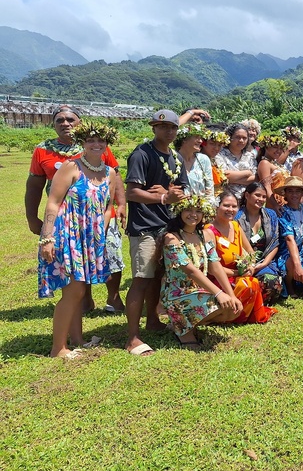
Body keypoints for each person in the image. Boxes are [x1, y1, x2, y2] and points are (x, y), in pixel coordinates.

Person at [27, 104, 126, 314]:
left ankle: (113, 298)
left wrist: (122, 203)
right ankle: (84, 299)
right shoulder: (43, 149)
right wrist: (32, 217)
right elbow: (34, 186)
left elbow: (114, 176)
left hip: (101, 213)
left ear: (80, 123)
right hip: (68, 217)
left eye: (70, 119)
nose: (65, 123)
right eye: (60, 120)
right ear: (52, 125)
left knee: (111, 254)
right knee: (78, 258)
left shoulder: (96, 145)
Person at [38, 121, 120, 358]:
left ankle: (77, 340)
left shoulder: (109, 173)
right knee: (73, 291)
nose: (96, 144)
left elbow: (107, 207)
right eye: (91, 140)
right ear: (83, 143)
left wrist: (99, 236)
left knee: (80, 291)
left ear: (107, 144)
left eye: (100, 141)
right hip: (67, 235)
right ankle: (58, 349)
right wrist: (47, 238)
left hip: (89, 239)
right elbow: (53, 202)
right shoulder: (70, 168)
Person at [124, 109, 189, 356]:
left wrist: (171, 195)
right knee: (141, 279)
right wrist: (162, 197)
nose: (168, 131)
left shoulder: (176, 157)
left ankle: (152, 320)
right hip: (144, 227)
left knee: (157, 276)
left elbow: (180, 190)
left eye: (173, 127)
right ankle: (132, 337)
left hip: (168, 225)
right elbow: (132, 192)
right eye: (163, 127)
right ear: (154, 128)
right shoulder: (142, 154)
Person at [161, 195, 243, 350]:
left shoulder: (205, 235)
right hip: (177, 292)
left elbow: (215, 266)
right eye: (188, 210)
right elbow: (191, 271)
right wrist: (219, 293)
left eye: (198, 211)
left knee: (232, 309)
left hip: (199, 289)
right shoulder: (171, 238)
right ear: (179, 211)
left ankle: (183, 324)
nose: (193, 214)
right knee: (219, 304)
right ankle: (182, 328)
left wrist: (231, 295)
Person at [206, 189, 277, 323]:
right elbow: (212, 268)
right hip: (218, 279)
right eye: (226, 205)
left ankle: (239, 314)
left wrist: (250, 265)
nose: (230, 209)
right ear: (217, 206)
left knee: (254, 281)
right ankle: (230, 316)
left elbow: (251, 252)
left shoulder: (235, 226)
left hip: (237, 275)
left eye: (234, 206)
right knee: (248, 284)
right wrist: (237, 272)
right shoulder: (209, 231)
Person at [236, 182, 283, 304]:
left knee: (272, 282)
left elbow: (275, 242)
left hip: (264, 262)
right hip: (242, 262)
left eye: (263, 196)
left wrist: (264, 263)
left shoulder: (270, 215)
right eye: (257, 195)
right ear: (247, 195)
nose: (261, 199)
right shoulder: (236, 217)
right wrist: (249, 265)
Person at [275, 176, 303, 295]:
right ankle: (289, 285)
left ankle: (297, 279)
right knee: (291, 262)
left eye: (297, 191)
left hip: (300, 253)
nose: (294, 195)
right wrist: (297, 265)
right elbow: (289, 240)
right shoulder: (283, 212)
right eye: (290, 191)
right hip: (286, 254)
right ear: (285, 193)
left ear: (302, 193)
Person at [216, 122, 257, 199]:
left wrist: (232, 179)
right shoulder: (219, 154)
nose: (241, 140)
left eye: (244, 138)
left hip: (246, 201)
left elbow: (255, 178)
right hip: (226, 200)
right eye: (238, 137)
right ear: (230, 137)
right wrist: (247, 173)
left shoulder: (250, 156)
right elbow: (223, 176)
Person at [176, 124, 214, 203]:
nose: (200, 141)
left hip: (199, 209)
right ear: (184, 139)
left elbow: (210, 190)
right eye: (197, 137)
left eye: (201, 138)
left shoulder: (203, 160)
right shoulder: (172, 159)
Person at [256, 133, 290, 213]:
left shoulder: (275, 163)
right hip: (275, 206)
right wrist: (275, 205)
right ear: (266, 147)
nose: (279, 151)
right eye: (275, 147)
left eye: (281, 148)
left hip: (285, 204)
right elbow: (266, 187)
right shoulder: (264, 163)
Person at [200, 127, 231, 198]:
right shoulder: (197, 160)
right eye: (212, 143)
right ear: (203, 143)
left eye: (219, 145)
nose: (216, 148)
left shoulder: (215, 160)